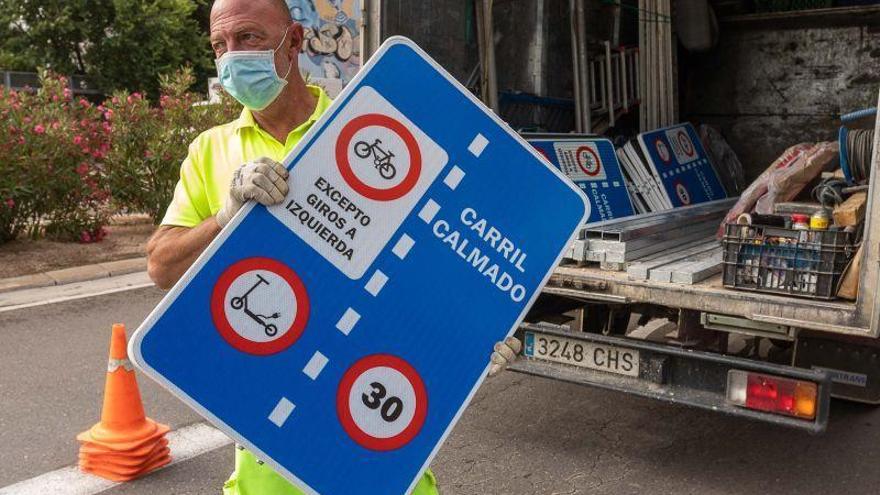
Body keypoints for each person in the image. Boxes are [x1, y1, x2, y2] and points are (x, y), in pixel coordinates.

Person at [146, 0, 521, 493]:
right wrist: (225, 217)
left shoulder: (362, 126)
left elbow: (434, 258)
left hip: (381, 459)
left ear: (295, 41)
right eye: (220, 45)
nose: (231, 57)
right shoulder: (211, 149)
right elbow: (161, 265)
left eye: (249, 38)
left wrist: (469, 342)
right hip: (264, 468)